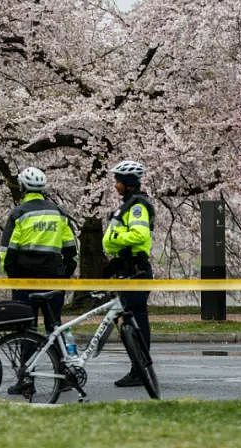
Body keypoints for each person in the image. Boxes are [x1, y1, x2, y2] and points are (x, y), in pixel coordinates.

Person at [0, 166, 78, 394]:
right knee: (55, 326)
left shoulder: (19, 213)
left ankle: (27, 379)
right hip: (54, 280)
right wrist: (63, 273)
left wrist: (13, 276)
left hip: (25, 282)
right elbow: (71, 249)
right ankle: (65, 376)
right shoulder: (58, 212)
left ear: (22, 187)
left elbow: (7, 251)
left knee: (27, 329)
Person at [103, 159, 155, 387]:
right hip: (126, 270)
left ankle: (140, 369)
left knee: (136, 320)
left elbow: (140, 235)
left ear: (127, 182)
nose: (115, 185)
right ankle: (138, 367)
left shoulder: (136, 206)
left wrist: (115, 240)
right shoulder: (126, 205)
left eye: (118, 181)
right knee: (126, 321)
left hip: (136, 270)